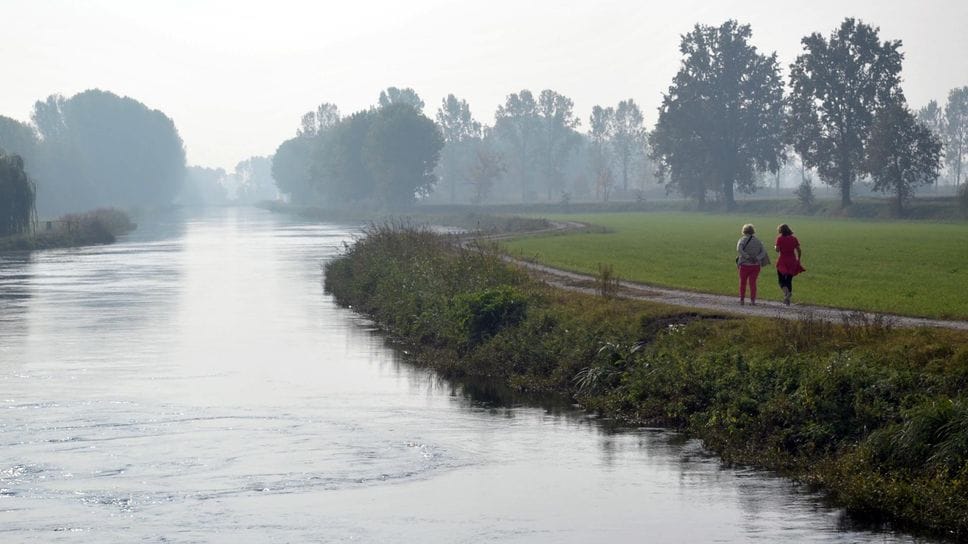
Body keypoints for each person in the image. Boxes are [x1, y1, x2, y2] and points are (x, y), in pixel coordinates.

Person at [736, 223, 769, 306]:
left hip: (744, 265)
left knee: (742, 283)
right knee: (753, 283)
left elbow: (739, 249)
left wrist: (747, 257)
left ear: (744, 231)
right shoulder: (758, 241)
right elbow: (763, 252)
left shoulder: (742, 240)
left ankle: (742, 300)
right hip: (756, 266)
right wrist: (757, 258)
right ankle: (753, 300)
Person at [774, 223, 805, 305]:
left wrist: (775, 247)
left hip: (782, 261)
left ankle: (787, 294)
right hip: (792, 261)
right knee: (789, 280)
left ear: (780, 231)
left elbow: (777, 250)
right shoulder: (794, 238)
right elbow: (799, 250)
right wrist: (798, 258)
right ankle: (787, 299)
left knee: (781, 280)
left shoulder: (779, 239)